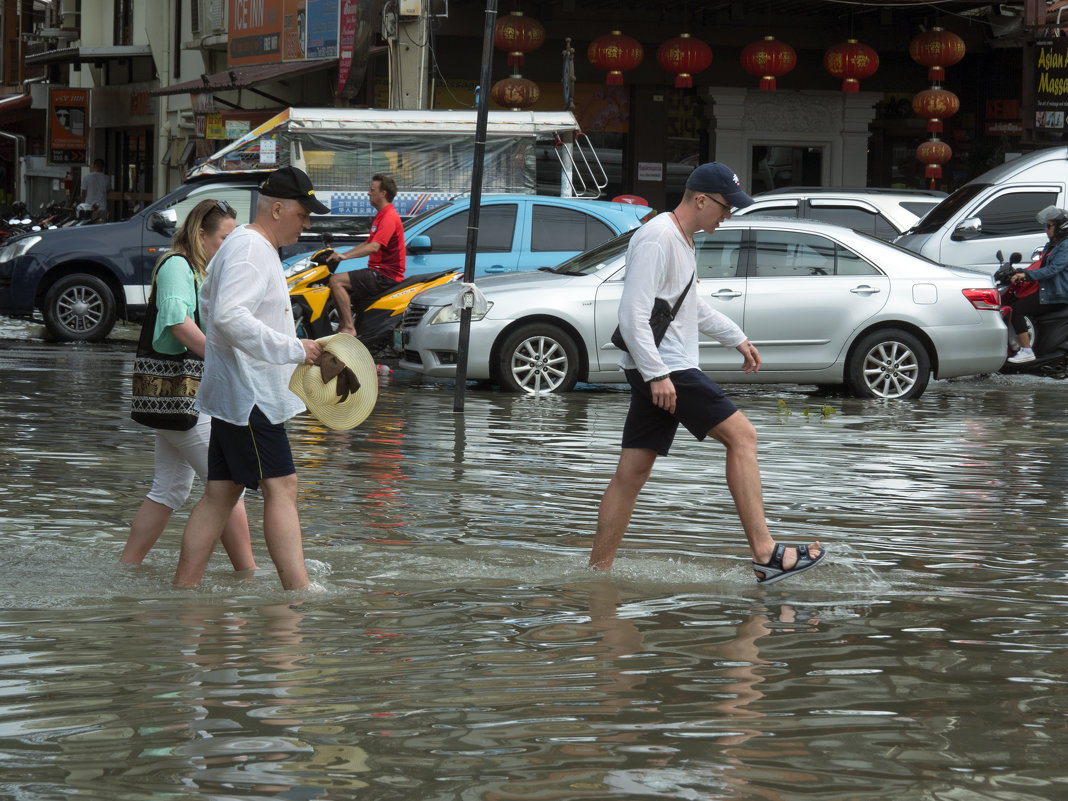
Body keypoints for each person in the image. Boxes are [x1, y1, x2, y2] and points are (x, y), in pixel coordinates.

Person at [588, 162, 826, 585]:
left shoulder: (682, 239)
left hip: (660, 368)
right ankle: (766, 553)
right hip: (667, 369)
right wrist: (658, 374)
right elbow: (631, 316)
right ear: (700, 200)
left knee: (631, 473)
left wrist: (736, 337)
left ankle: (596, 573)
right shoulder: (658, 238)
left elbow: (691, 306)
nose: (728, 215)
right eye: (724, 207)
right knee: (743, 435)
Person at [173, 166, 327, 590]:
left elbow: (215, 306)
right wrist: (295, 349)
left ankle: (183, 590)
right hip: (251, 395)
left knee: (221, 494)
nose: (308, 222)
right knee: (283, 487)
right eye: (303, 213)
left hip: (236, 391)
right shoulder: (251, 249)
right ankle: (299, 594)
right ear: (277, 208)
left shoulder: (245, 246)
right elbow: (228, 316)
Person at [121, 200, 257, 572]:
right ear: (200, 235)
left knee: (170, 490)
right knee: (228, 486)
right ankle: (248, 573)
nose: (227, 248)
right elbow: (178, 323)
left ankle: (127, 567)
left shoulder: (197, 269)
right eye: (223, 239)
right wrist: (223, 359)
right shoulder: (178, 267)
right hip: (187, 399)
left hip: (176, 402)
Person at [327, 174, 405, 335]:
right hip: (378, 272)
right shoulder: (382, 215)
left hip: (384, 275)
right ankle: (345, 326)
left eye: (372, 190)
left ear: (383, 194)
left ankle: (348, 327)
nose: (368, 193)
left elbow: (374, 247)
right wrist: (341, 254)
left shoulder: (389, 216)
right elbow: (367, 244)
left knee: (336, 281)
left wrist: (346, 257)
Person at [1006, 205, 1068, 364]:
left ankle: (1027, 351)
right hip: (1047, 290)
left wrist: (1026, 275)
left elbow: (1053, 269)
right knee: (1011, 303)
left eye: (1049, 226)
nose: (1046, 229)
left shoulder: (1065, 246)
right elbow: (1040, 265)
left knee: (1017, 310)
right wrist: (1018, 271)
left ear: (1060, 228)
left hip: (1057, 294)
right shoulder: (1053, 244)